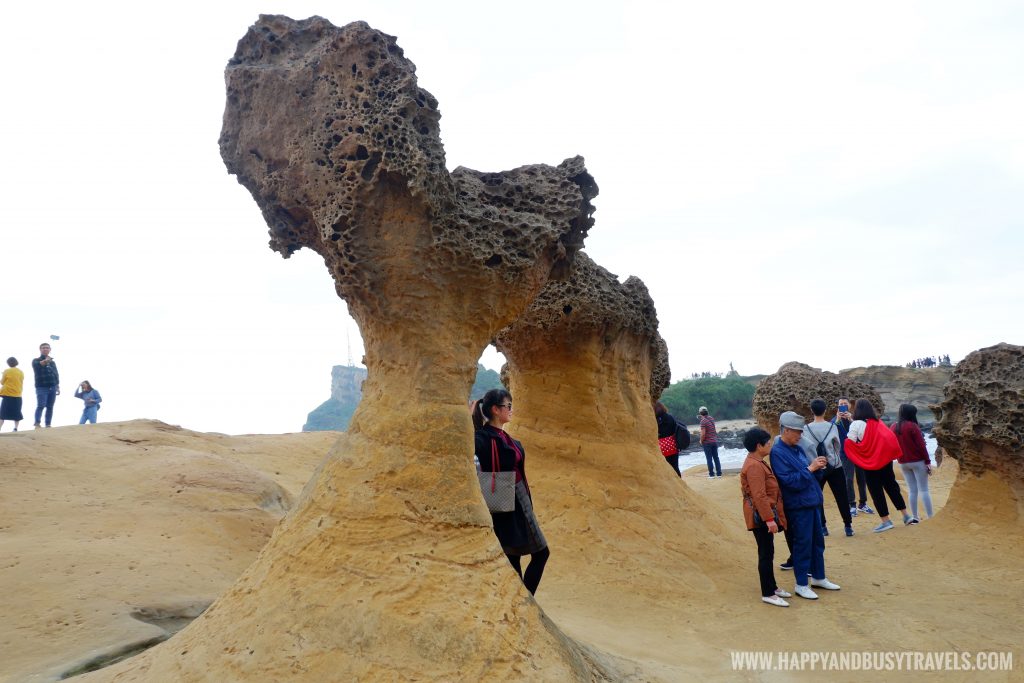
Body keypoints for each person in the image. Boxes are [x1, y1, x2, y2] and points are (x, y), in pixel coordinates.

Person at [472, 389, 549, 595]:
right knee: (521, 556)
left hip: (519, 498)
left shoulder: (506, 438)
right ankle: (524, 601)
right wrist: (470, 420)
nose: (511, 410)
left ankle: (523, 599)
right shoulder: (483, 437)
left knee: (533, 554)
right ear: (495, 410)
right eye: (508, 406)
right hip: (503, 500)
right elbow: (466, 444)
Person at [770, 411, 840, 600]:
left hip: (812, 502)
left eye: (801, 431)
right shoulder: (777, 453)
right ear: (785, 430)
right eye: (797, 431)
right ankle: (801, 584)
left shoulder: (798, 449)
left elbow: (809, 476)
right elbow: (788, 482)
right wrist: (811, 468)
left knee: (818, 542)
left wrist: (819, 469)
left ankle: (819, 577)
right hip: (798, 506)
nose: (800, 435)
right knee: (802, 544)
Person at [843, 399, 913, 533]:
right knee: (892, 487)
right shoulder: (877, 422)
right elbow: (888, 438)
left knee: (876, 491)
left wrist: (856, 449)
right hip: (885, 461)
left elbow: (850, 441)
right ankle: (906, 516)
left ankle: (886, 521)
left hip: (870, 463)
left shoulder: (856, 424)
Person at [740, 427, 791, 607]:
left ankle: (773, 587)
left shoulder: (757, 461)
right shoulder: (754, 465)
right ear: (758, 445)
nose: (770, 444)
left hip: (761, 514)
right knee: (765, 553)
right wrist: (769, 519)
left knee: (768, 551)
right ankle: (768, 593)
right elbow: (759, 495)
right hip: (760, 517)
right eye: (767, 442)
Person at [803, 398, 853, 537]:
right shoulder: (832, 426)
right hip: (835, 466)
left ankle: (823, 527)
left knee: (818, 497)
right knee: (841, 496)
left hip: (816, 466)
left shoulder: (806, 429)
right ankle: (848, 526)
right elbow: (838, 446)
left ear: (812, 411)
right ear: (825, 410)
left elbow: (806, 448)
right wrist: (832, 457)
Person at [892, 404, 932, 522]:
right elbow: (921, 446)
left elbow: (892, 443)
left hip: (903, 463)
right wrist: (928, 461)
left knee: (912, 490)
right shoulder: (913, 426)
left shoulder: (894, 426)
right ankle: (930, 517)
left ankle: (915, 517)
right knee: (924, 490)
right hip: (918, 462)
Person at [834, 397, 873, 517]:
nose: (843, 405)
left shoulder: (856, 420)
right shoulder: (835, 420)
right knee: (848, 479)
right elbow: (831, 430)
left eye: (845, 404)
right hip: (845, 454)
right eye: (841, 404)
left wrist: (851, 419)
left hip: (858, 452)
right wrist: (837, 419)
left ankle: (863, 503)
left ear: (850, 406)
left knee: (862, 478)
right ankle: (852, 505)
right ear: (838, 406)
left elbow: (864, 430)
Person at [31, 342, 60, 428]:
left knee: (50, 407)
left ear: (50, 350)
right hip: (41, 386)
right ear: (40, 349)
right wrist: (46, 360)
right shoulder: (35, 360)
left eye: (47, 348)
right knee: (41, 405)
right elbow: (40, 365)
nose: (45, 349)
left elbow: (56, 374)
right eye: (43, 348)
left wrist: (57, 385)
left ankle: (48, 424)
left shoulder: (52, 362)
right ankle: (37, 423)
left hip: (53, 386)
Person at [654, 402, 682, 477]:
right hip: (673, 445)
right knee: (675, 467)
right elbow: (675, 429)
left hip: (662, 447)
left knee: (666, 468)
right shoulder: (670, 417)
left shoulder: (655, 420)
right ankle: (679, 482)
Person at [0, 357, 25, 432]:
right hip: (18, 394)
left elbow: (2, 382)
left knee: (2, 414)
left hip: (7, 394)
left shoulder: (7, 371)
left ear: (8, 363)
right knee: (17, 413)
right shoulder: (21, 372)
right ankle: (15, 428)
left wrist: (3, 374)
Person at [698, 406, 722, 478]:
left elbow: (703, 434)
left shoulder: (703, 421)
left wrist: (701, 441)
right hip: (714, 441)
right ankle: (719, 474)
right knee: (716, 458)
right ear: (707, 411)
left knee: (709, 458)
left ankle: (711, 475)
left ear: (700, 413)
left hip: (707, 443)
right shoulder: (711, 418)